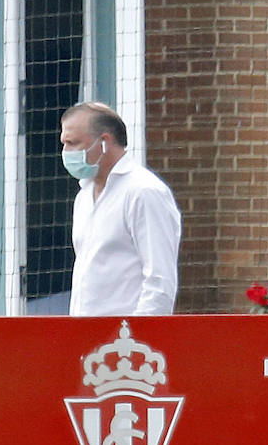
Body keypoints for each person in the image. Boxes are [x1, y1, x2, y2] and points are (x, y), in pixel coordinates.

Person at [60, 101, 181, 316]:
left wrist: (138, 339)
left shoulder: (143, 192)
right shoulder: (84, 196)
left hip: (125, 339)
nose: (66, 152)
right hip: (85, 334)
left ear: (104, 142)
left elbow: (159, 280)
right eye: (64, 144)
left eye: (73, 143)